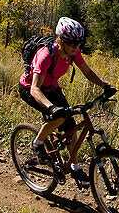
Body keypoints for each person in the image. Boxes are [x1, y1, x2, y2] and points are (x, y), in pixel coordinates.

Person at [18, 17, 114, 183]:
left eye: (79, 44)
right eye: (72, 43)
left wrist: (103, 85)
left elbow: (87, 71)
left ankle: (74, 168)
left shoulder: (73, 52)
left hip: (51, 87)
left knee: (71, 126)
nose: (76, 48)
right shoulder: (46, 55)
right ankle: (38, 143)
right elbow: (35, 89)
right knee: (59, 116)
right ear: (60, 40)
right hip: (30, 89)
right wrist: (51, 107)